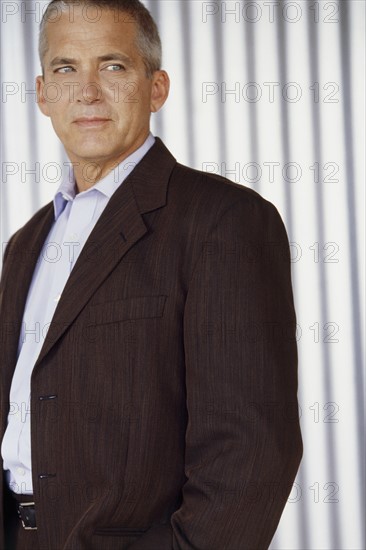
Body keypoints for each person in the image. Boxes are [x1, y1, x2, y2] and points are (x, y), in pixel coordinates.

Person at [0, 0, 303, 548]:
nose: (87, 91)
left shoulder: (223, 220)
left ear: (156, 87)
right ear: (43, 93)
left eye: (112, 66)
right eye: (66, 69)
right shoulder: (24, 245)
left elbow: (252, 454)